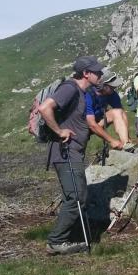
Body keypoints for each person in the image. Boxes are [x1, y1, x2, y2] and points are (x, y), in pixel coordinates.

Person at [37, 56, 103, 255]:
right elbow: (44, 108)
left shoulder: (83, 92)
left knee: (76, 196)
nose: (100, 75)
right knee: (75, 197)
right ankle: (56, 241)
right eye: (97, 72)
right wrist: (59, 131)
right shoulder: (70, 88)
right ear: (86, 73)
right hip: (66, 152)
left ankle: (64, 236)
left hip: (72, 152)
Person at [85, 72, 130, 154]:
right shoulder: (88, 95)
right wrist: (111, 141)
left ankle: (126, 144)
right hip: (85, 125)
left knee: (119, 112)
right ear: (103, 86)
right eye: (112, 87)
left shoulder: (112, 94)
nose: (115, 88)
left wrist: (127, 135)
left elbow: (121, 114)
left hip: (98, 122)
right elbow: (91, 124)